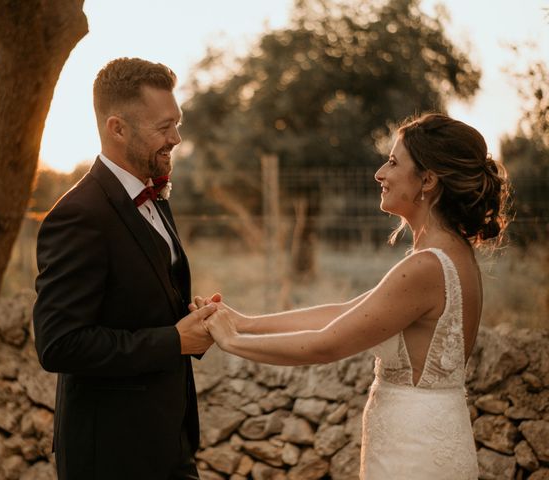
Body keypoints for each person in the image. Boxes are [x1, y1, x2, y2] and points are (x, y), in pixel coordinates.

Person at [197, 113, 510, 479]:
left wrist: (231, 341)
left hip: (414, 453)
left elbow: (325, 344)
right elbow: (345, 311)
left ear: (427, 180)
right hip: (432, 436)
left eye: (393, 162)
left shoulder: (426, 266)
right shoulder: (454, 255)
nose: (380, 173)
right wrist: (245, 323)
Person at [33, 57, 218, 480]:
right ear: (117, 128)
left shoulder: (156, 198)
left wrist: (192, 322)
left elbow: (142, 303)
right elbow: (59, 344)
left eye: (178, 122)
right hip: (111, 455)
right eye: (163, 127)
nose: (176, 137)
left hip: (169, 440)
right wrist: (173, 341)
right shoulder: (79, 214)